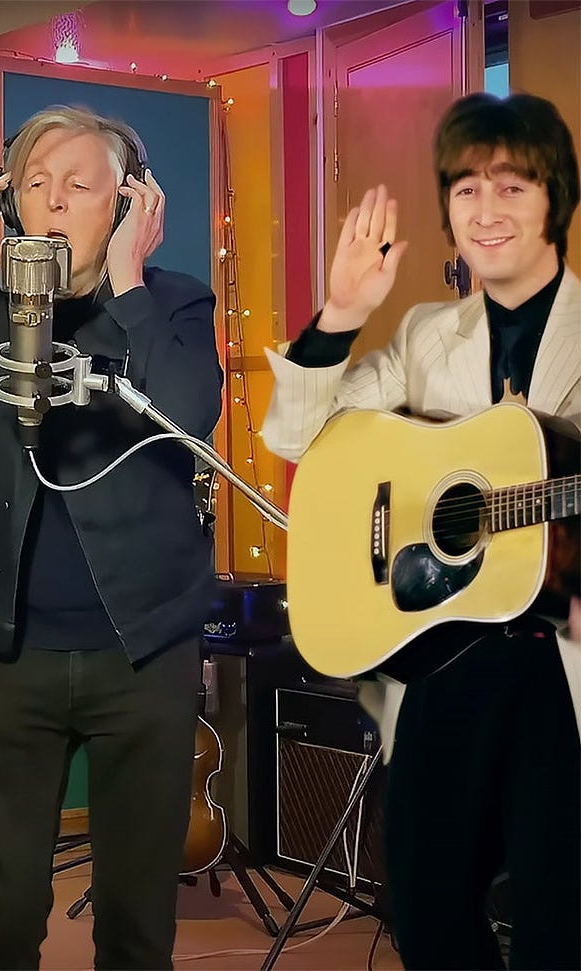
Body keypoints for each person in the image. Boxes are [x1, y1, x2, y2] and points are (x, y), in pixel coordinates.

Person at [0, 105, 223, 969]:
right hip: (7, 652)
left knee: (136, 927)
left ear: (131, 203)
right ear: (9, 206)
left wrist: (131, 284)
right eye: (34, 185)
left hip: (140, 651)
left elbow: (189, 413)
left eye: (78, 185)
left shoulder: (173, 301)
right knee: (2, 919)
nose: (54, 202)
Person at [261, 92, 581, 969]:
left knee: (562, 923)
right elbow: (301, 439)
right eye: (467, 189)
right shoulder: (424, 335)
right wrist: (337, 314)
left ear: (556, 199)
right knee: (425, 908)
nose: (486, 210)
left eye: (512, 187)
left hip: (560, 665)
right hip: (443, 655)